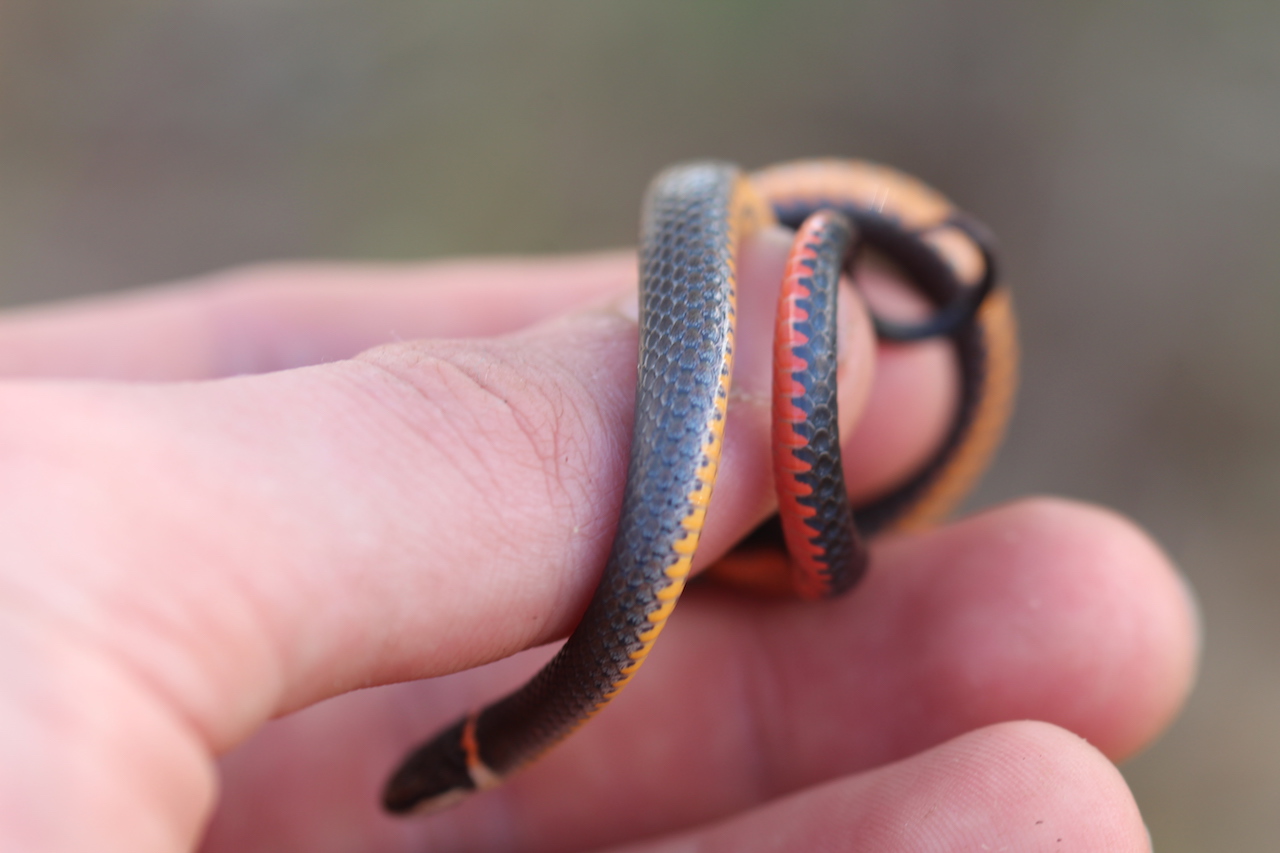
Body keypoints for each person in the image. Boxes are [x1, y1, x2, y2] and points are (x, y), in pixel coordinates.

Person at [0, 228, 1197, 852]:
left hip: (700, 219)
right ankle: (813, 243)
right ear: (468, 754)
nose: (414, 794)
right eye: (429, 788)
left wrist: (504, 429)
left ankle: (804, 240)